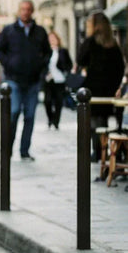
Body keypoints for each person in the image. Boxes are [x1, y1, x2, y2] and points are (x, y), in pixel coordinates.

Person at [0, 0, 51, 161]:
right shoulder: (9, 30)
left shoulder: (39, 31)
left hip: (33, 81)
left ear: (32, 12)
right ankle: (7, 150)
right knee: (13, 112)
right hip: (14, 80)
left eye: (28, 9)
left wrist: (41, 67)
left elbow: (48, 52)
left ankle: (24, 151)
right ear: (19, 11)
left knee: (30, 116)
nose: (25, 12)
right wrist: (8, 63)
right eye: (22, 9)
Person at [76, 11, 126, 160]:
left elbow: (80, 60)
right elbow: (120, 68)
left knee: (92, 122)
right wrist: (115, 85)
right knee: (102, 121)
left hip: (93, 88)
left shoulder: (90, 42)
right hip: (108, 89)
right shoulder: (113, 45)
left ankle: (97, 151)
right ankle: (103, 150)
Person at [42, 30, 72, 130]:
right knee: (47, 101)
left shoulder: (63, 51)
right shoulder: (46, 52)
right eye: (50, 39)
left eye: (53, 39)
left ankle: (56, 122)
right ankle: (50, 119)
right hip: (49, 79)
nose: (52, 41)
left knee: (59, 101)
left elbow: (68, 64)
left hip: (59, 79)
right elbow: (42, 65)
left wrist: (64, 71)